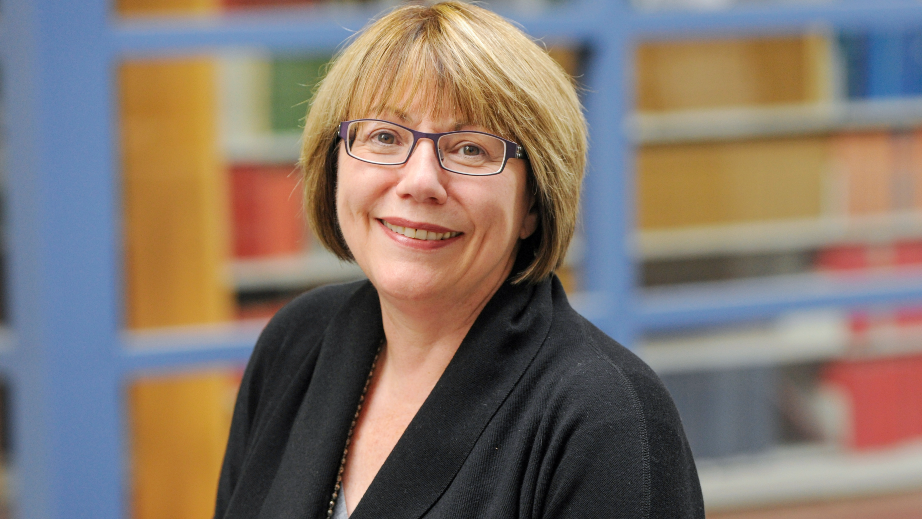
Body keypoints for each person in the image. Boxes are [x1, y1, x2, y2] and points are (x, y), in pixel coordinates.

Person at [214, 2, 704, 518]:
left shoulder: (606, 419)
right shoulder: (298, 343)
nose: (420, 181)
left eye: (471, 149)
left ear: (533, 205)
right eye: (385, 136)